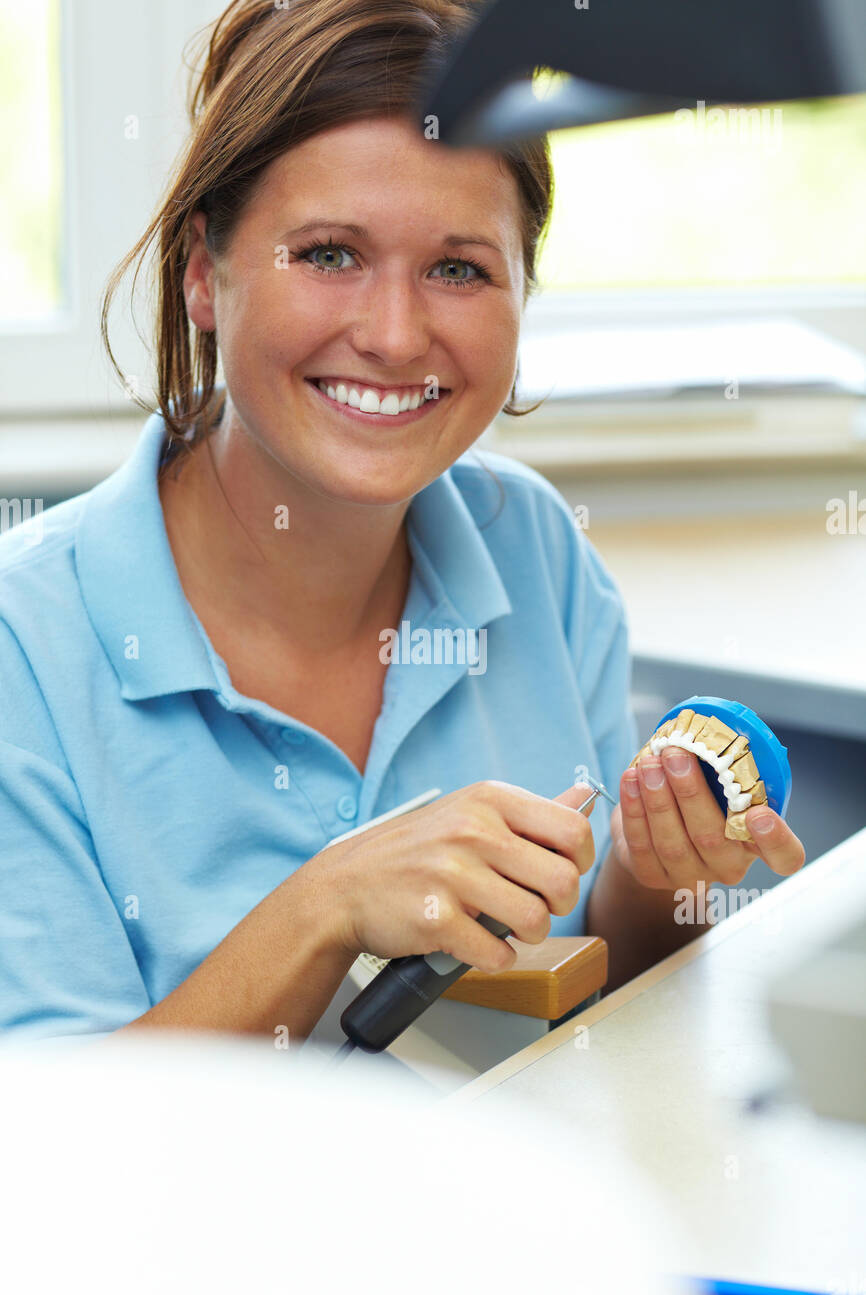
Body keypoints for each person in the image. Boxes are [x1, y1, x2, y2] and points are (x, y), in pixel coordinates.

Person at [0, 0, 804, 1045]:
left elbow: (597, 995)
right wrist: (324, 908)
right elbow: (50, 1156)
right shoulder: (26, 646)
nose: (391, 334)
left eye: (458, 269)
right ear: (204, 271)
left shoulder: (536, 551)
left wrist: (655, 879)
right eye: (329, 254)